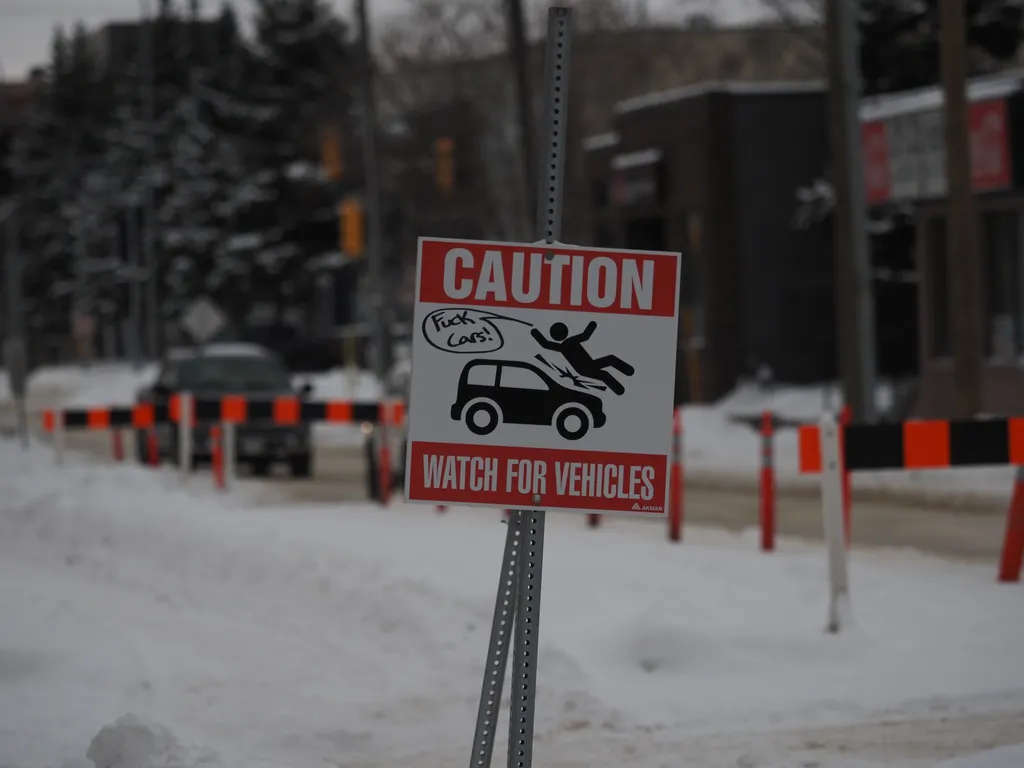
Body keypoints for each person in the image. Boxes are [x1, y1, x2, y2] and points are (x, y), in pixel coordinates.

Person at [530, 321, 634, 395]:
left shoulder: (564, 345)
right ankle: (622, 386)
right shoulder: (568, 344)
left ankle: (627, 375)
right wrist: (592, 325)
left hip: (586, 367)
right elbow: (585, 335)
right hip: (586, 367)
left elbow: (546, 344)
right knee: (605, 372)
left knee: (607, 367)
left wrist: (535, 332)